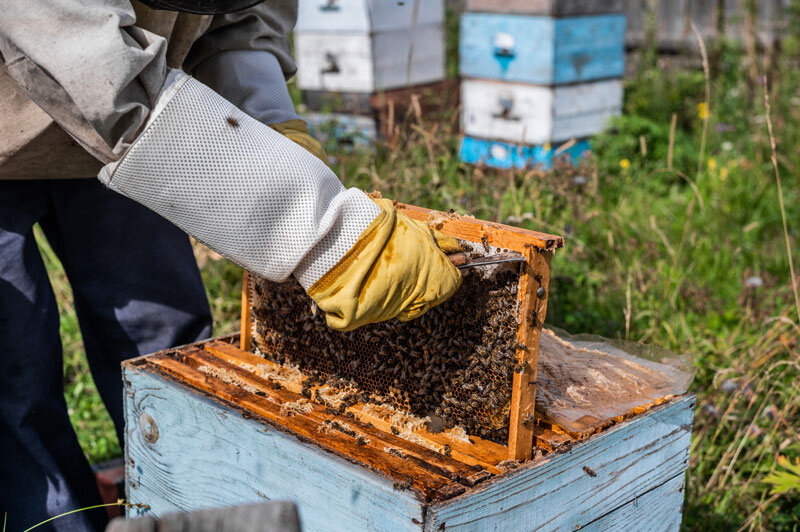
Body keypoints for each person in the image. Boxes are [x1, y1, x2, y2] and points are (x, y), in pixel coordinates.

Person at [0, 1, 462, 530]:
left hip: (135, 101)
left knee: (168, 339)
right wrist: (321, 234)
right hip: (45, 88)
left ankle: (187, 500)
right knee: (16, 371)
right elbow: (69, 41)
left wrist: (268, 119)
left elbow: (243, 16)